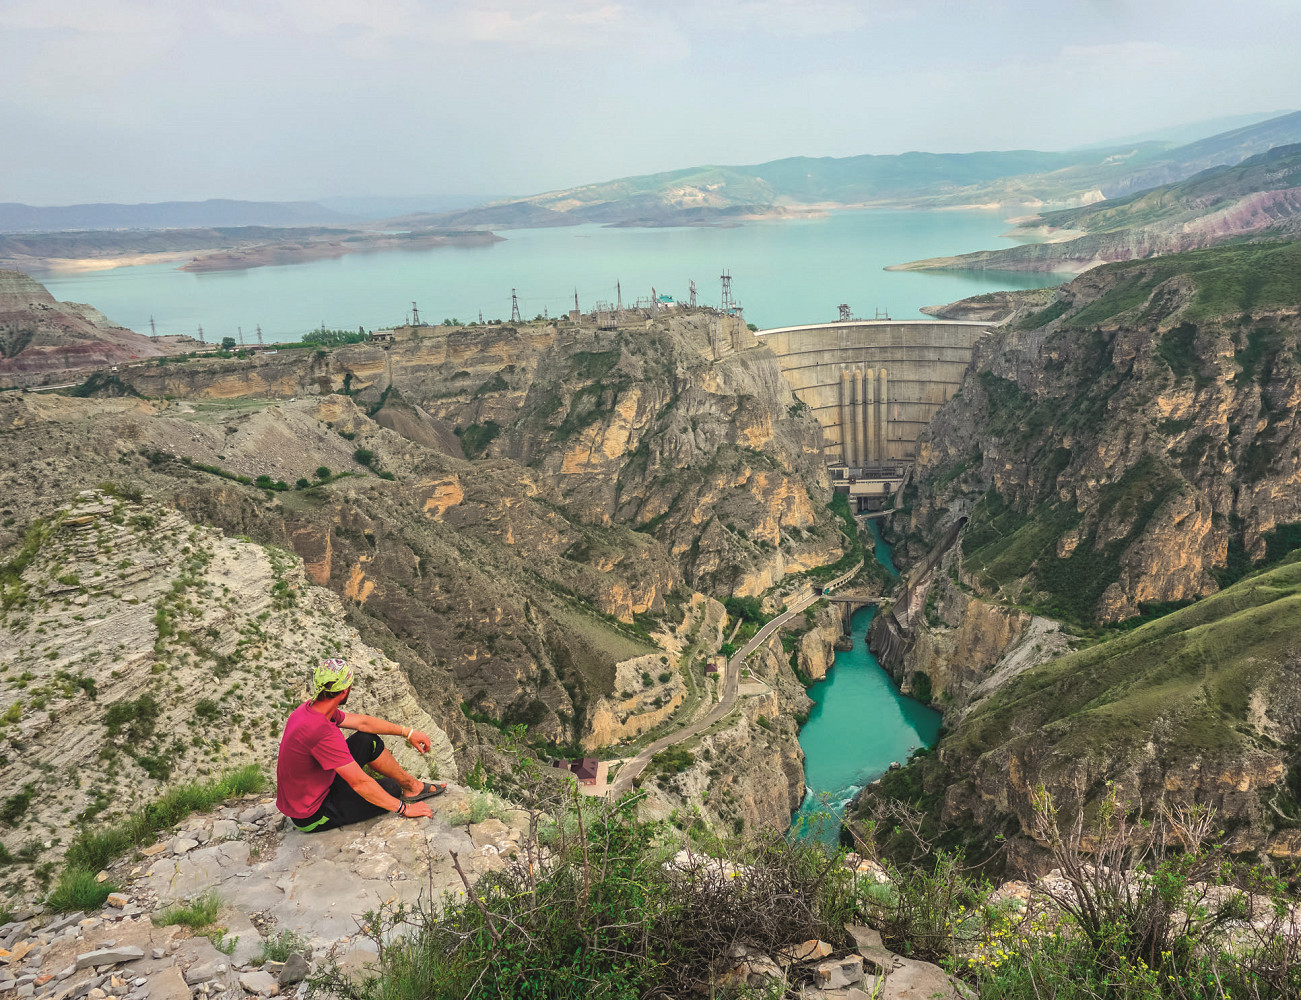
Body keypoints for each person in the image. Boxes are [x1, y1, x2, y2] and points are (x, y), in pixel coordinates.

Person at [276, 658, 446, 833]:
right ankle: (403, 793)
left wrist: (408, 733)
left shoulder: (310, 710)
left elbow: (363, 723)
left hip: (316, 788)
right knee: (391, 789)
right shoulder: (322, 731)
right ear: (345, 690)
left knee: (367, 740)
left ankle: (412, 787)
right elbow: (360, 783)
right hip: (313, 813)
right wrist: (405, 809)